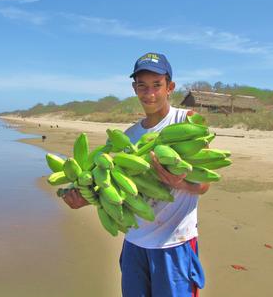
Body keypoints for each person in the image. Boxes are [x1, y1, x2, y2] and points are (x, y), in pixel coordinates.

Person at [62, 52, 210, 296]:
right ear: (134, 88)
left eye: (156, 85)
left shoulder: (187, 121)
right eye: (142, 86)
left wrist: (182, 183)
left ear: (170, 87)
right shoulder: (128, 137)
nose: (149, 94)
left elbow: (204, 185)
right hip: (134, 244)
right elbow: (119, 191)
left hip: (174, 244)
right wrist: (86, 198)